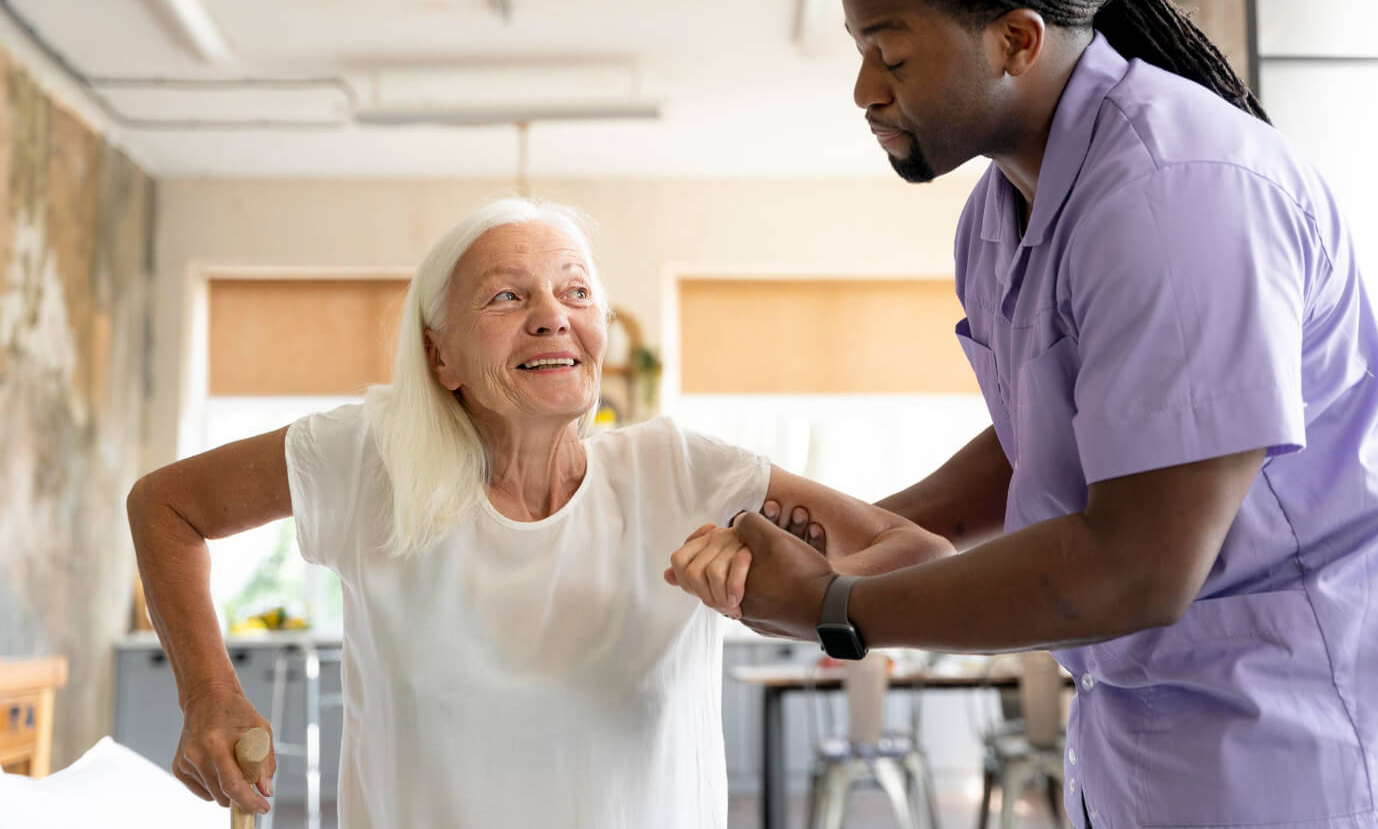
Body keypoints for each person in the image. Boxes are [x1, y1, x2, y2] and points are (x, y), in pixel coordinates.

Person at [725, 0, 1378, 829]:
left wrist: (837, 607)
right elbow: (1055, 428)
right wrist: (877, 526)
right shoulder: (997, 215)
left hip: (1321, 738)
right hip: (1168, 738)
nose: (861, 89)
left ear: (1014, 39)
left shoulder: (1178, 192)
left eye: (890, 51)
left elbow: (1139, 563)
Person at [127, 197, 953, 829]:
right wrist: (208, 695)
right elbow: (165, 505)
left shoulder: (682, 472)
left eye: (576, 291)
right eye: (506, 296)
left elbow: (916, 551)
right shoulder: (369, 459)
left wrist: (812, 593)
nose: (553, 313)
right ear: (439, 355)